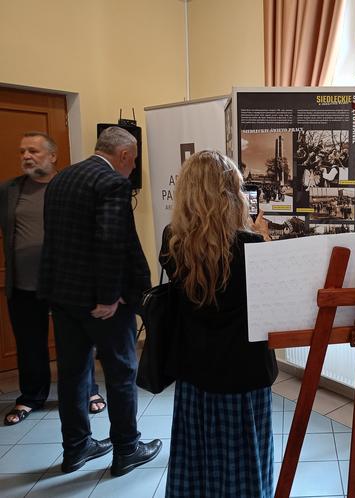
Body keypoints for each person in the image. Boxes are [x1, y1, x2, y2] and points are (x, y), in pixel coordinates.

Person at [39, 127, 161, 474]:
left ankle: (76, 448)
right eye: (134, 160)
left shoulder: (61, 180)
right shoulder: (112, 183)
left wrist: (53, 291)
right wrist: (109, 298)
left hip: (64, 297)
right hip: (101, 305)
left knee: (73, 374)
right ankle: (126, 449)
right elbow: (110, 243)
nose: (133, 167)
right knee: (121, 372)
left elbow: (56, 241)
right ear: (123, 155)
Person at [160, 151, 277, 498]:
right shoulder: (251, 245)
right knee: (244, 458)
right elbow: (268, 302)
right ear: (229, 194)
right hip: (245, 372)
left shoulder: (173, 242)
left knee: (198, 456)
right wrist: (263, 239)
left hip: (195, 372)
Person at [0, 132, 103, 426]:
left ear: (53, 156)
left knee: (76, 343)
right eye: (22, 152)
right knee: (29, 343)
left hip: (67, 283)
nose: (26, 157)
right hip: (23, 284)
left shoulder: (71, 186)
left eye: (33, 150)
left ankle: (88, 392)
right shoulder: (9, 190)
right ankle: (31, 396)